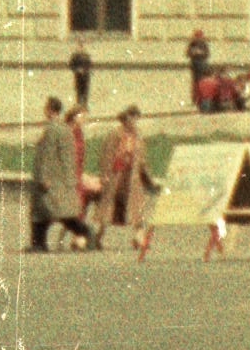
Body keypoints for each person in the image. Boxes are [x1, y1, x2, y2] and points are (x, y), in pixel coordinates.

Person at [99, 103, 157, 259]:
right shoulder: (115, 134)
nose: (134, 122)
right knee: (110, 208)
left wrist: (148, 178)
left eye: (136, 118)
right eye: (132, 118)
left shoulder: (138, 135)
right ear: (125, 118)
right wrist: (104, 174)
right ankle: (98, 236)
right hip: (117, 175)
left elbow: (142, 159)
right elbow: (107, 155)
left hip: (133, 177)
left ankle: (139, 237)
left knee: (136, 208)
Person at [28, 97, 86, 253]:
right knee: (48, 214)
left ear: (49, 109)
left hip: (50, 181)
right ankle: (38, 243)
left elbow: (47, 156)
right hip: (59, 180)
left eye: (46, 107)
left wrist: (44, 177)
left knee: (50, 213)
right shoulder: (64, 128)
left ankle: (85, 233)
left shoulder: (52, 129)